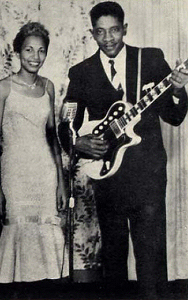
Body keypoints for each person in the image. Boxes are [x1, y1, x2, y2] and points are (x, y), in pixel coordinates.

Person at [59, 2, 188, 298]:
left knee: (151, 259)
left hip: (148, 177)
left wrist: (179, 90)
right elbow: (67, 122)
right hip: (108, 178)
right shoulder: (80, 72)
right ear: (92, 34)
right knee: (114, 262)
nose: (109, 39)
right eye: (101, 32)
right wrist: (77, 142)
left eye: (114, 30)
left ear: (125, 29)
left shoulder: (151, 60)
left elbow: (174, 116)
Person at [0, 22, 68, 296]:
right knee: (18, 239)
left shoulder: (49, 87)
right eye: (29, 50)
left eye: (41, 51)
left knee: (46, 246)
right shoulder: (2, 88)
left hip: (44, 174)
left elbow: (53, 137)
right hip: (15, 174)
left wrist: (61, 183)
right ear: (17, 52)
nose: (35, 56)